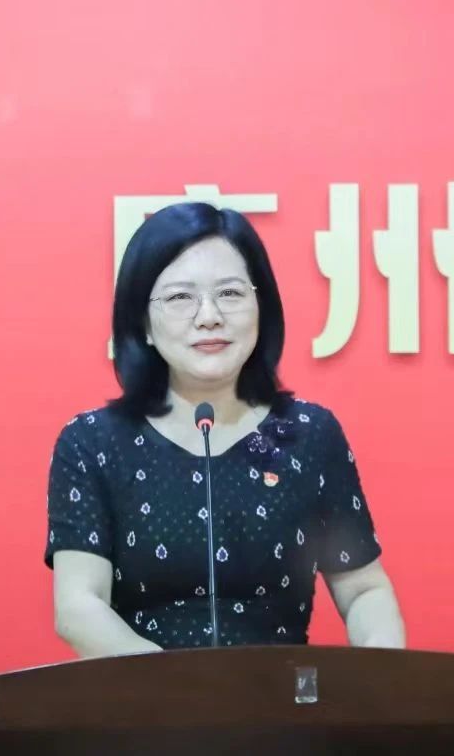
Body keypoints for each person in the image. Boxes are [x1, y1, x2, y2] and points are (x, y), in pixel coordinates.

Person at [44, 202, 405, 657]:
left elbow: (363, 588)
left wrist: (380, 666)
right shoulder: (93, 443)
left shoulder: (308, 434)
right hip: (143, 695)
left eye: (230, 293)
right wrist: (177, 688)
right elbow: (79, 606)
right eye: (180, 298)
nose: (209, 315)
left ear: (261, 307)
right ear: (144, 324)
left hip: (281, 697)